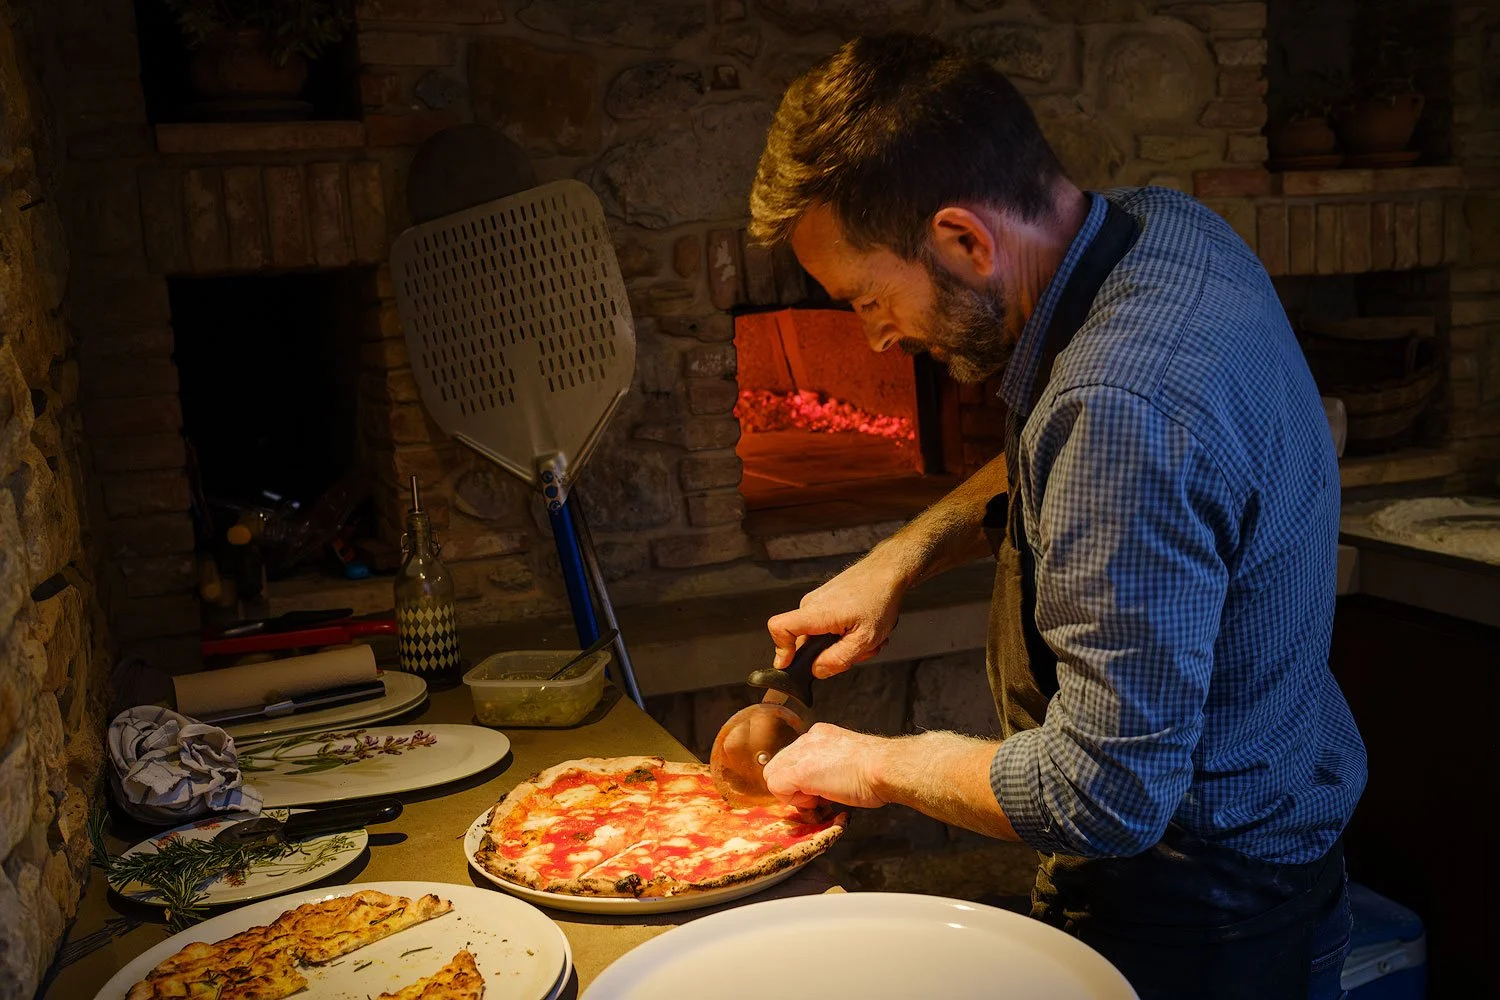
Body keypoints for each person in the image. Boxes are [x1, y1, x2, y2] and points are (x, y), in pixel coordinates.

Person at [748, 34, 1367, 1000]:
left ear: (963, 239)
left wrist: (870, 761)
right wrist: (902, 557)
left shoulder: (1120, 403)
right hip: (1279, 843)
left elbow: (1104, 795)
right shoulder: (1162, 230)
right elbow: (1057, 446)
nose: (872, 337)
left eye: (867, 298)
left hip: (1199, 915)